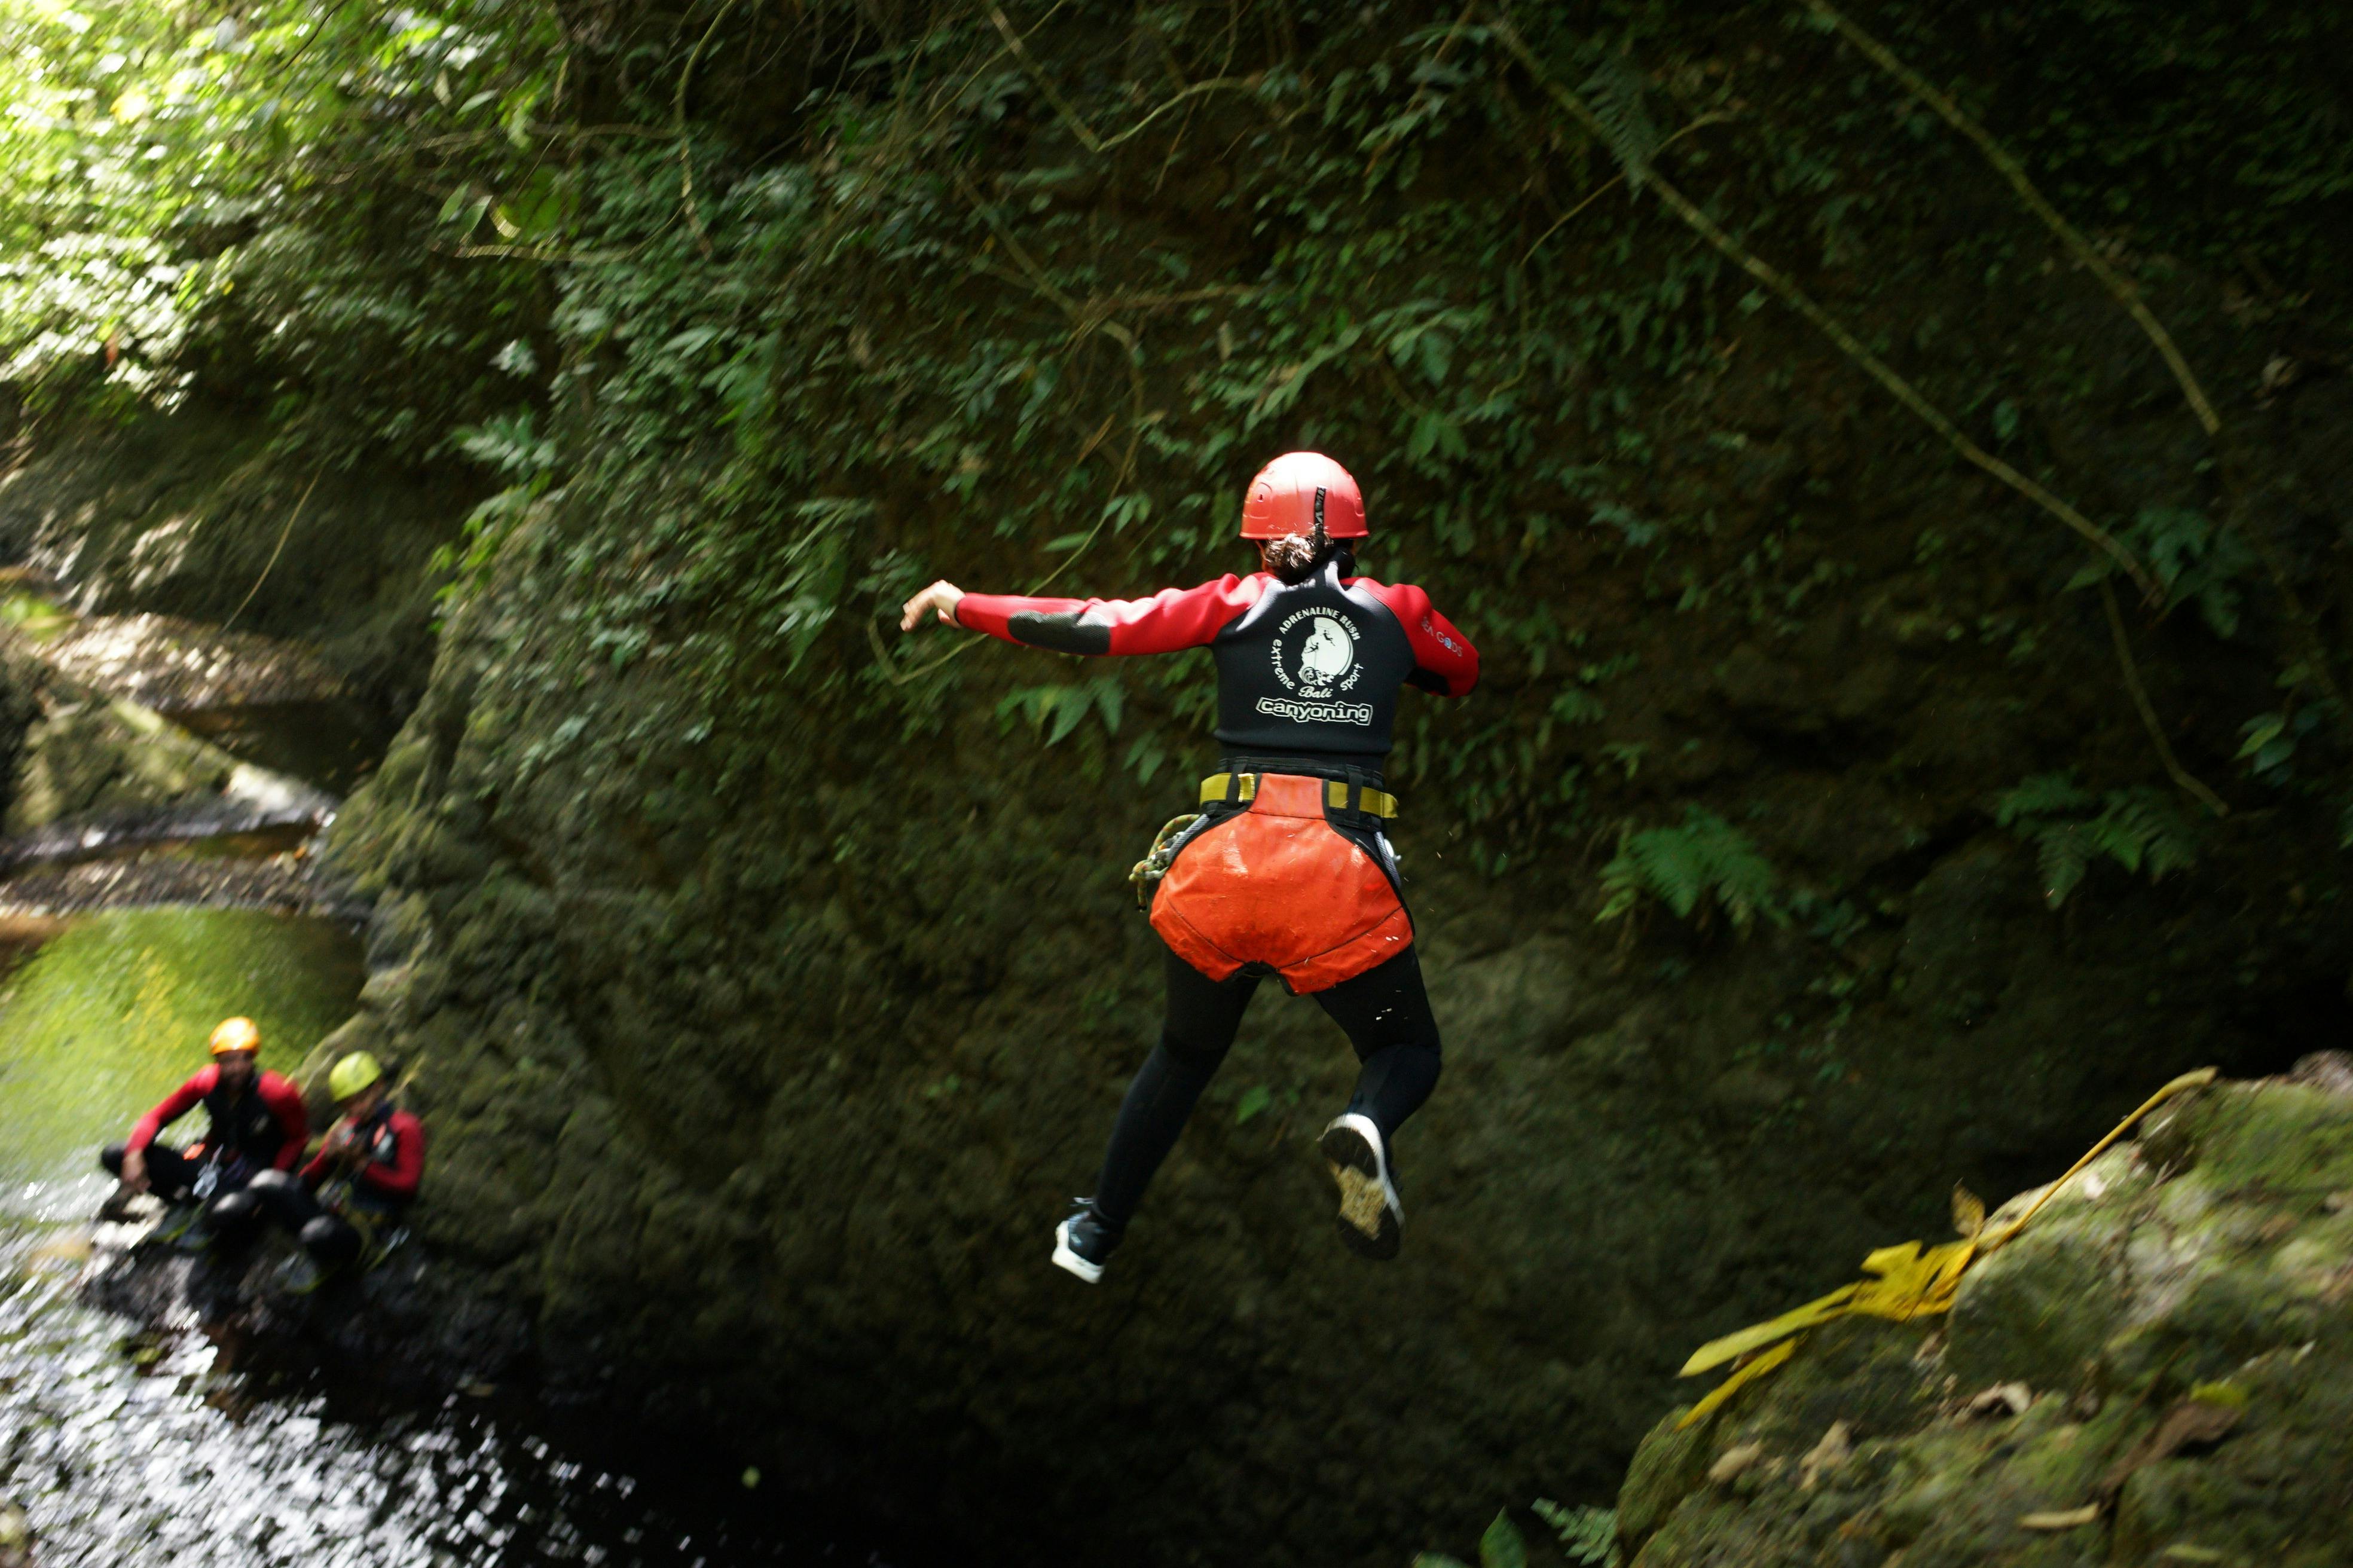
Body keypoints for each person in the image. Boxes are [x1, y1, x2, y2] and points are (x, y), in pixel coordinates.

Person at [899, 450, 1478, 1282]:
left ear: (1261, 542)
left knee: (1184, 1053)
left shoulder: (1233, 602)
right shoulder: (1398, 610)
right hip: (1336, 879)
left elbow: (1096, 624)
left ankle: (1094, 1233)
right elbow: (1461, 669)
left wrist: (964, 605)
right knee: (1407, 1051)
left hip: (1224, 870)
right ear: (1353, 536)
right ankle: (1368, 1123)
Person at [209, 1050, 424, 1273]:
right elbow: (306, 1184)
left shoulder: (404, 1127)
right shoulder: (348, 1129)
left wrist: (363, 1164)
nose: (357, 1109)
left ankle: (337, 1254)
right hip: (335, 1211)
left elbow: (408, 1186)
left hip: (369, 1229)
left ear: (378, 1087)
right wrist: (327, 1156)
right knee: (264, 1181)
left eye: (362, 1099)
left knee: (315, 1234)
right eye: (349, 1105)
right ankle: (245, 1227)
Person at [100, 1017, 309, 1220]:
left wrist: (273, 1181)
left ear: (252, 1058)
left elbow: (297, 1139)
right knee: (115, 1154)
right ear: (217, 1061)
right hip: (213, 1166)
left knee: (225, 1214)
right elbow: (157, 1116)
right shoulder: (205, 1083)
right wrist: (134, 1154)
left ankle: (210, 1206)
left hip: (252, 1177)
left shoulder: (276, 1092)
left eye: (243, 1059)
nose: (236, 1068)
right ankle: (179, 1201)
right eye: (228, 1060)